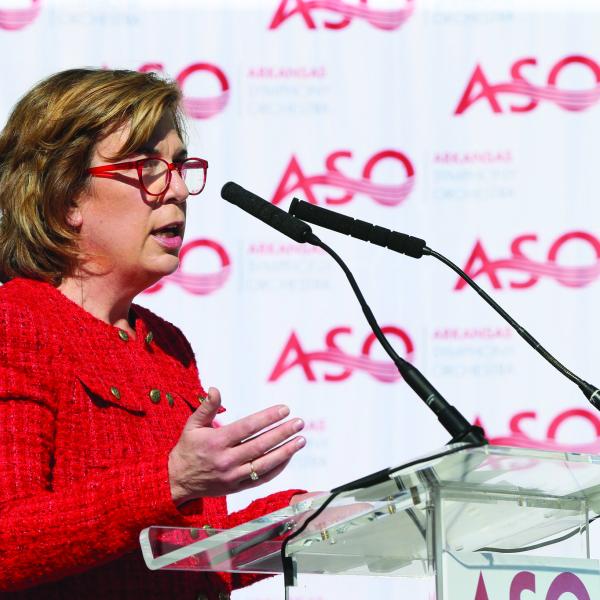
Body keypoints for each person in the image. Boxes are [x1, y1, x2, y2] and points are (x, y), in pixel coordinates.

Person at [0, 68, 307, 599]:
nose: (181, 189)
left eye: (182, 166)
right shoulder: (16, 322)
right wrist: (171, 481)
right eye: (148, 166)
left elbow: (183, 557)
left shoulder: (168, 345)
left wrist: (302, 521)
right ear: (64, 197)